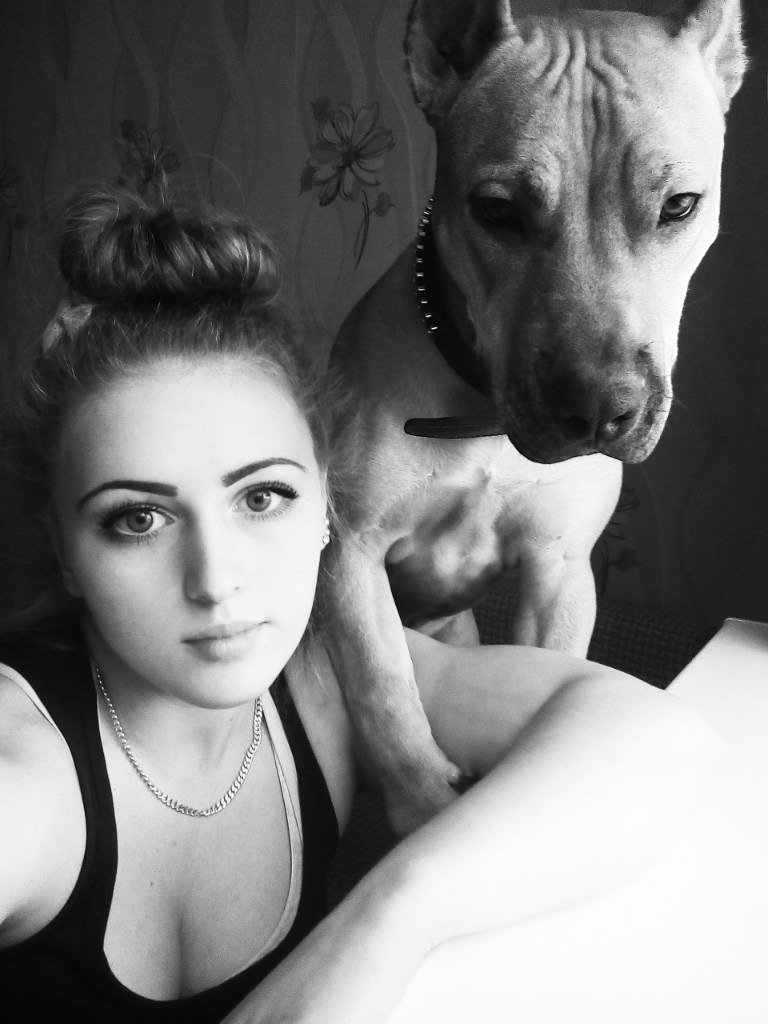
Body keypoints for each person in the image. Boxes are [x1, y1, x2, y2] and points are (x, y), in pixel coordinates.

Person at [0, 182, 721, 1024]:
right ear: (65, 550)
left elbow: (664, 744)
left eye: (262, 498)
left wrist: (389, 915)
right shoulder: (25, 778)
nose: (217, 579)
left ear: (326, 513)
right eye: (139, 519)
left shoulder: (323, 681)